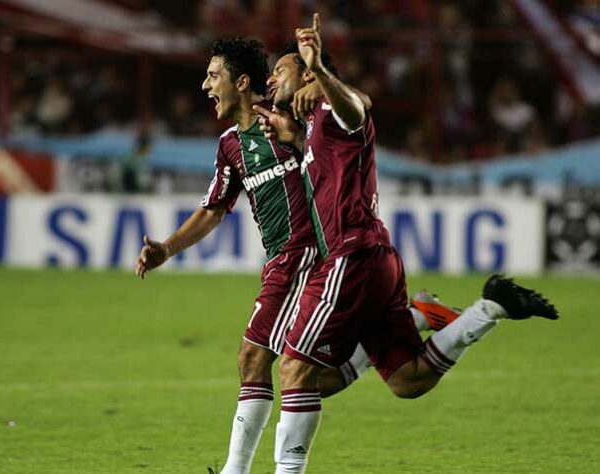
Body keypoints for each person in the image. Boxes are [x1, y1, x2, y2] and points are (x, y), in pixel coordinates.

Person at [135, 38, 459, 474]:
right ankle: (407, 324)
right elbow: (213, 209)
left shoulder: (290, 109)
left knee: (255, 357)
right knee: (309, 378)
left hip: (307, 254)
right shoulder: (231, 145)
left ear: (242, 81)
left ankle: (237, 471)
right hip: (281, 259)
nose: (205, 85)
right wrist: (168, 248)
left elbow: (358, 104)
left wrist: (323, 84)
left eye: (214, 76)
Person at [254, 14, 559, 474]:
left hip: (350, 259)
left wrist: (322, 71)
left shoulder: (332, 109)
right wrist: (294, 138)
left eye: (282, 68)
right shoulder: (315, 128)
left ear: (309, 73)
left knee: (294, 371)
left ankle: (419, 316)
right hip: (374, 262)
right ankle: (488, 308)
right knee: (405, 380)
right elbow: (333, 155)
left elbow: (359, 105)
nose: (272, 77)